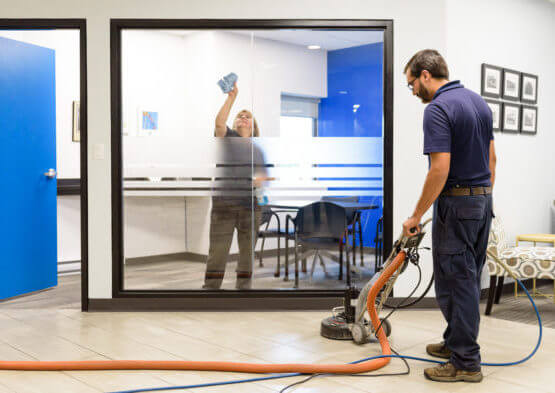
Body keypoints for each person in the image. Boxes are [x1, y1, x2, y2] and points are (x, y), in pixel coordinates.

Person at [401, 50, 496, 383]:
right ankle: (454, 342)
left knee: (456, 284)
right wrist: (480, 198)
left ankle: (466, 363)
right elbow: (492, 159)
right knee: (465, 281)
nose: (413, 91)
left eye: (412, 83)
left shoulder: (438, 108)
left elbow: (439, 169)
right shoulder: (478, 102)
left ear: (426, 75)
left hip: (456, 205)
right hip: (482, 203)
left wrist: (415, 215)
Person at [203, 83, 266, 290]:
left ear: (253, 124)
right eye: (240, 116)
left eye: (247, 116)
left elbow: (262, 179)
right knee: (218, 252)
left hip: (251, 207)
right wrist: (231, 98)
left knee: (247, 254)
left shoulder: (257, 150)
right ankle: (210, 289)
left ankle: (243, 290)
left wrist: (262, 195)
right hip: (224, 206)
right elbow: (219, 123)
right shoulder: (227, 139)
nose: (243, 118)